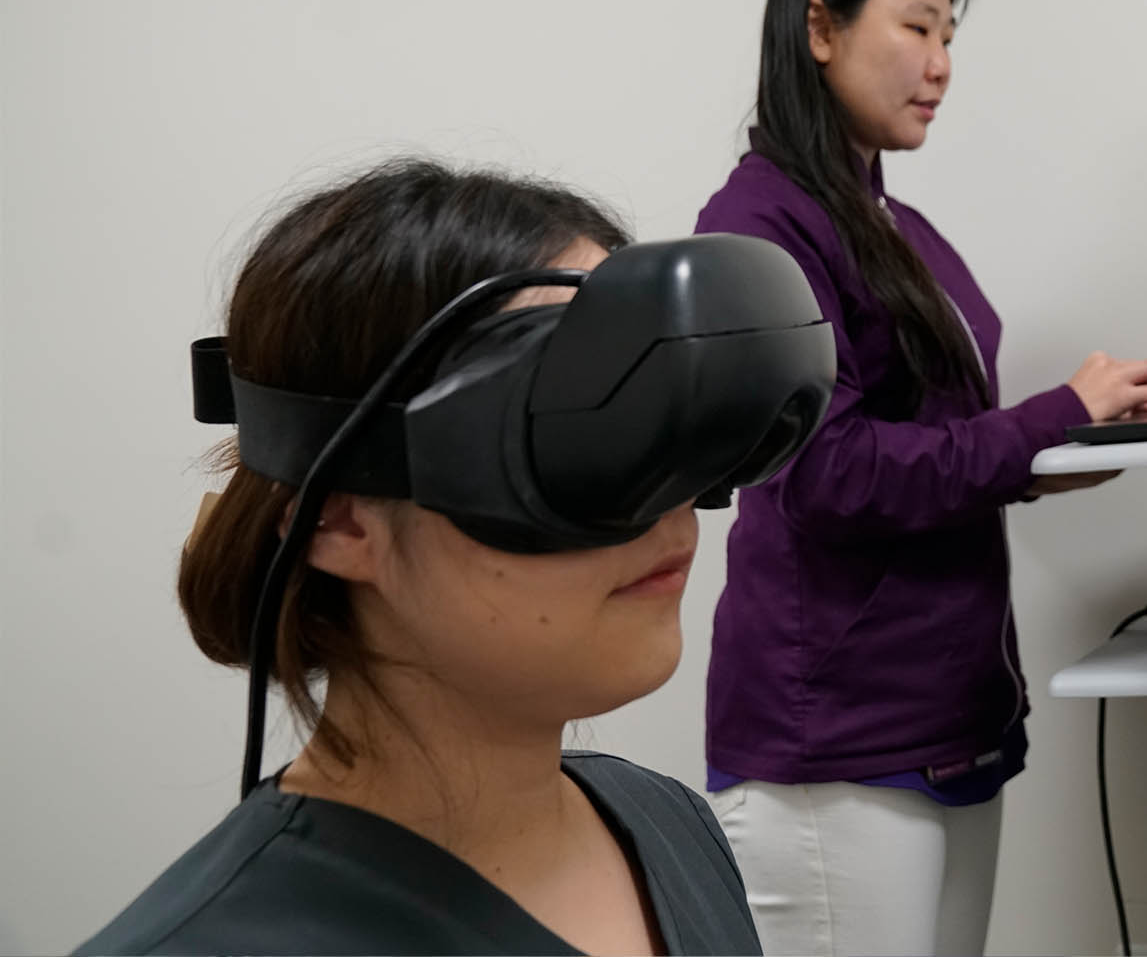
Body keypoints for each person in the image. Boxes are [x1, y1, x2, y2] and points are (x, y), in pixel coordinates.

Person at [80, 161, 762, 956]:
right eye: (567, 432)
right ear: (338, 516)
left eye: (653, 413)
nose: (671, 497)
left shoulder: (671, 827)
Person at [695, 0, 1147, 956]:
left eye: (949, 39)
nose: (939, 63)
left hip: (947, 712)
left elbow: (933, 442)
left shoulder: (896, 226)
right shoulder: (754, 228)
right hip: (834, 741)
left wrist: (1053, 454)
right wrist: (1051, 416)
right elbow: (829, 474)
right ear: (819, 27)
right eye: (916, 28)